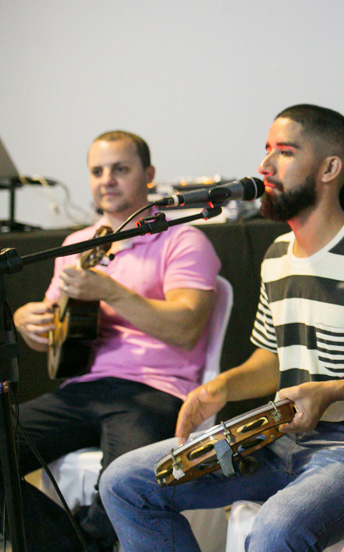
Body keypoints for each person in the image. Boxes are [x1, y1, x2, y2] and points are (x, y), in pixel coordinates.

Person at [100, 104, 344, 552]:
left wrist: (330, 392)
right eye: (266, 150)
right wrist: (219, 388)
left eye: (284, 151)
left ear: (329, 168)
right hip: (282, 440)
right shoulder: (277, 255)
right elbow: (271, 360)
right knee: (125, 482)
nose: (264, 166)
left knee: (277, 528)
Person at [10, 130, 221, 551]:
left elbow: (184, 327)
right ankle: (74, 543)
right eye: (97, 171)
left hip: (154, 391)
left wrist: (109, 290)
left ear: (149, 175)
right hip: (81, 390)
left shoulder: (183, 239)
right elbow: (55, 334)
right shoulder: (77, 244)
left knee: (124, 485)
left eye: (120, 169)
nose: (107, 179)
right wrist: (26, 321)